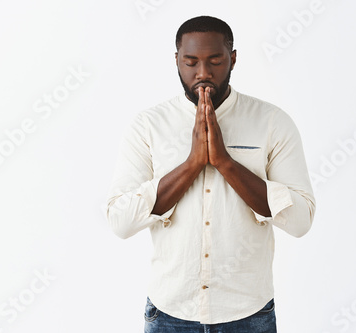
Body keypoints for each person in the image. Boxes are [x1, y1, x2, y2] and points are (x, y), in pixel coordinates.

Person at [106, 15, 316, 333]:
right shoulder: (148, 126)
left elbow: (301, 221)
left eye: (215, 60)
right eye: (190, 62)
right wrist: (192, 164)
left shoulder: (272, 122)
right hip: (170, 313)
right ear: (176, 60)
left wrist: (225, 163)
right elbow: (120, 222)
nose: (203, 73)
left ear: (233, 58)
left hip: (249, 313)